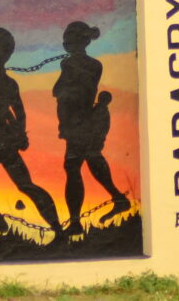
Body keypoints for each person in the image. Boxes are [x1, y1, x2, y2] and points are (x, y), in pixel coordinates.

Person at [0, 27, 63, 237]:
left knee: (7, 183)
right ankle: (52, 228)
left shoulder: (3, 82)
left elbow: (17, 111)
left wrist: (19, 135)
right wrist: (19, 134)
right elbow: (18, 112)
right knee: (24, 185)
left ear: (1, 54)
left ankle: (52, 227)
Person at [52, 21, 130, 232]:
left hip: (78, 123)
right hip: (77, 123)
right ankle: (117, 198)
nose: (66, 44)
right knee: (92, 159)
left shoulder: (76, 65)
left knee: (73, 167)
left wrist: (66, 68)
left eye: (69, 39)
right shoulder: (91, 65)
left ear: (77, 41)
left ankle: (76, 222)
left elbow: (59, 90)